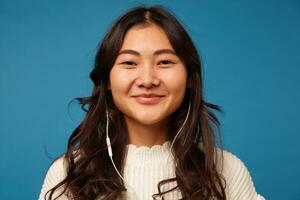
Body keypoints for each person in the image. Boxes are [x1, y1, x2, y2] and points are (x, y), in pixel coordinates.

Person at [39, 5, 265, 200]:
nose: (147, 80)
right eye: (129, 63)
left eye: (164, 61)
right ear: (107, 79)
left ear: (189, 77)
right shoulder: (69, 174)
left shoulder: (226, 171)